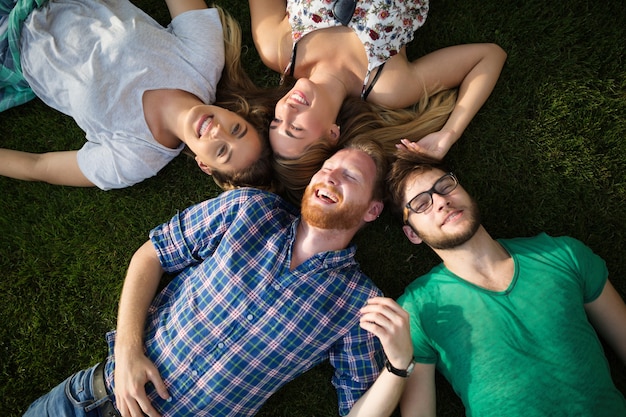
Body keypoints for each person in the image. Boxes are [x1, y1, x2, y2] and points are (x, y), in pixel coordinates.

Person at [23, 141, 415, 417]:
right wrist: (127, 351)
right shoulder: (248, 209)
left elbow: (359, 409)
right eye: (327, 168)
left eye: (349, 176)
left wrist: (399, 364)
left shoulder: (360, 304)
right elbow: (151, 254)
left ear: (373, 210)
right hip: (92, 398)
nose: (329, 178)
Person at [385, 151, 626, 416]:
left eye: (444, 186)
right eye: (421, 204)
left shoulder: (563, 254)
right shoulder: (416, 309)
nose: (441, 201)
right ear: (412, 233)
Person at [0, 0, 277, 191]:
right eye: (237, 129)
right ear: (236, 112)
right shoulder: (204, 59)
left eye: (221, 151)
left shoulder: (134, 159)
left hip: (10, 52)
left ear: (204, 164)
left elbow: (41, 167)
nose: (218, 131)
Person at [249, 0, 507, 200]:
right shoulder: (388, 86)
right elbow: (489, 56)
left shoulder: (279, 49)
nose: (288, 109)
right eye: (295, 128)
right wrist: (448, 134)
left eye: (278, 119)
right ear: (332, 133)